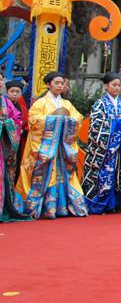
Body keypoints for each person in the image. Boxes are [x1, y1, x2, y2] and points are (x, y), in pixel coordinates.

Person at [14, 71, 87, 219]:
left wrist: (66, 121)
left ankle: (61, 207)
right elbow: (33, 121)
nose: (60, 86)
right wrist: (55, 121)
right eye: (57, 83)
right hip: (46, 147)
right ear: (48, 84)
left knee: (64, 174)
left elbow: (78, 118)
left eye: (62, 83)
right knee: (42, 173)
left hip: (61, 148)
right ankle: (39, 208)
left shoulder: (67, 104)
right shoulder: (40, 103)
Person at [82, 72, 121, 214]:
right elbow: (95, 125)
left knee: (120, 172)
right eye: (114, 85)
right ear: (106, 86)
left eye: (119, 85)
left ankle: (119, 203)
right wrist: (116, 126)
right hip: (104, 149)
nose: (117, 88)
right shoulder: (99, 104)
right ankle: (102, 203)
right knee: (104, 174)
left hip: (120, 147)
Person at [0, 89, 25, 221]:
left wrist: (7, 124)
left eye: (0, 79)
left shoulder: (5, 102)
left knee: (5, 176)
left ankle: (4, 206)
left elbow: (17, 118)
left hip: (3, 143)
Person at [6, 80, 28, 181]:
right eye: (12, 91)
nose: (15, 94)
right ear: (7, 92)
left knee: (17, 164)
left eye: (17, 92)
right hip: (5, 140)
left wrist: (23, 130)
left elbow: (27, 124)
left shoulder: (23, 108)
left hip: (18, 141)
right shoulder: (3, 105)